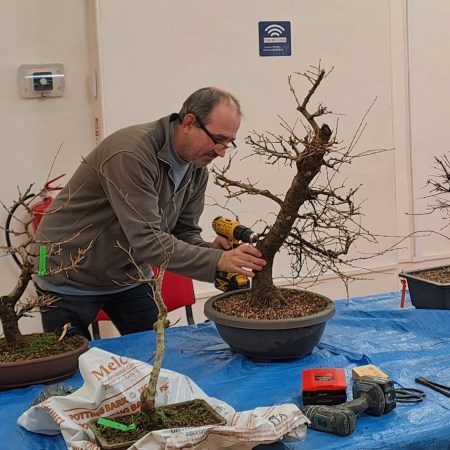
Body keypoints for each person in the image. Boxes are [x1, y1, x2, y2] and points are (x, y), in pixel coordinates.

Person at [34, 87, 266, 340]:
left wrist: (212, 251)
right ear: (189, 122)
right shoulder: (130, 154)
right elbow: (148, 241)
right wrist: (218, 261)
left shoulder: (197, 169)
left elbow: (183, 232)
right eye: (217, 139)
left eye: (228, 143)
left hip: (128, 274)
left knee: (158, 348)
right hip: (66, 272)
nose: (221, 151)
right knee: (72, 359)